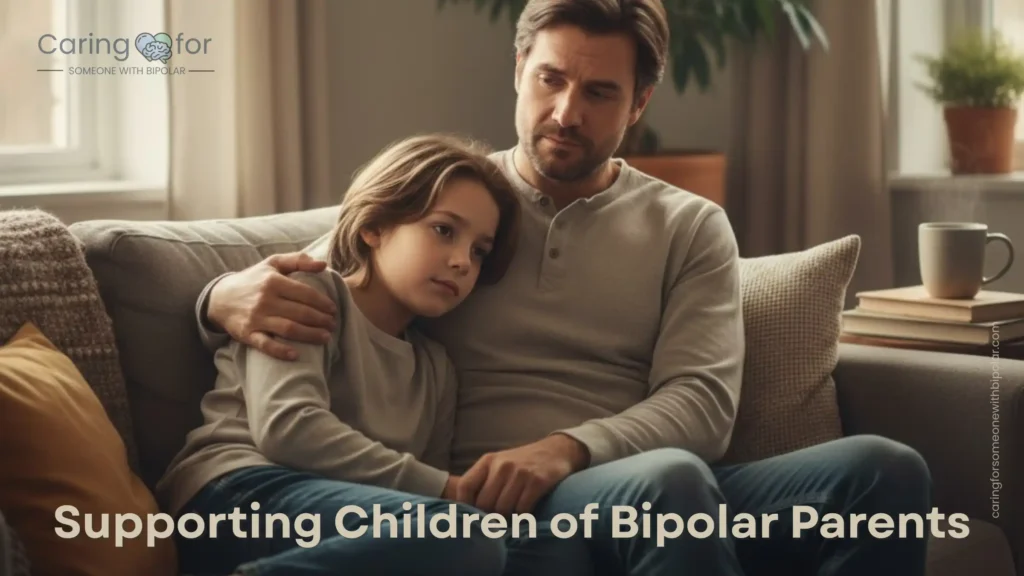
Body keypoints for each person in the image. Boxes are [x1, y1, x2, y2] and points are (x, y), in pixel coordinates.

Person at [195, 1, 933, 575]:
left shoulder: (690, 226)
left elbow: (703, 404)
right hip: (502, 495)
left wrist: (567, 448)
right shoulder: (452, 199)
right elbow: (333, 268)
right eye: (550, 78)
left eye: (600, 92)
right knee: (670, 487)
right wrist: (218, 297)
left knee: (884, 471)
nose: (566, 113)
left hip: (639, 479)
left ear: (639, 103)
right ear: (519, 68)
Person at [155, 134, 523, 576]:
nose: (463, 261)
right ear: (375, 226)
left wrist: (444, 496)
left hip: (339, 518)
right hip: (236, 492)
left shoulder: (436, 369)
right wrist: (447, 490)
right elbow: (288, 428)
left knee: (478, 543)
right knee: (463, 532)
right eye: (444, 230)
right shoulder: (307, 295)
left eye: (479, 251)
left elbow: (420, 503)